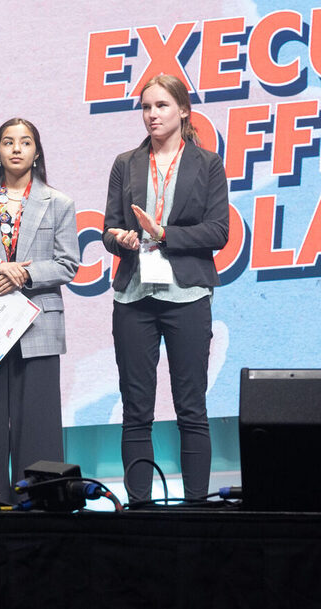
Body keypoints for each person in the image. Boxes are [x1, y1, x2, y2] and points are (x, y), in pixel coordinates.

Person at [103, 74, 229, 503]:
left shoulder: (207, 163)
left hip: (187, 296)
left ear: (183, 111)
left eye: (161, 106)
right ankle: (139, 507)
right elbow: (108, 229)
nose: (152, 115)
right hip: (134, 296)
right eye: (146, 107)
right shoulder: (125, 163)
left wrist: (164, 234)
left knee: (191, 408)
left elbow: (219, 231)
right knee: (136, 410)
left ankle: (195, 508)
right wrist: (120, 238)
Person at [0, 118, 80, 501]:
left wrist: (24, 273)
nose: (17, 148)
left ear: (36, 152)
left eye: (25, 142)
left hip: (38, 322)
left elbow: (67, 264)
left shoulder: (59, 203)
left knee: (38, 421)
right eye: (8, 142)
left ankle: (40, 500)